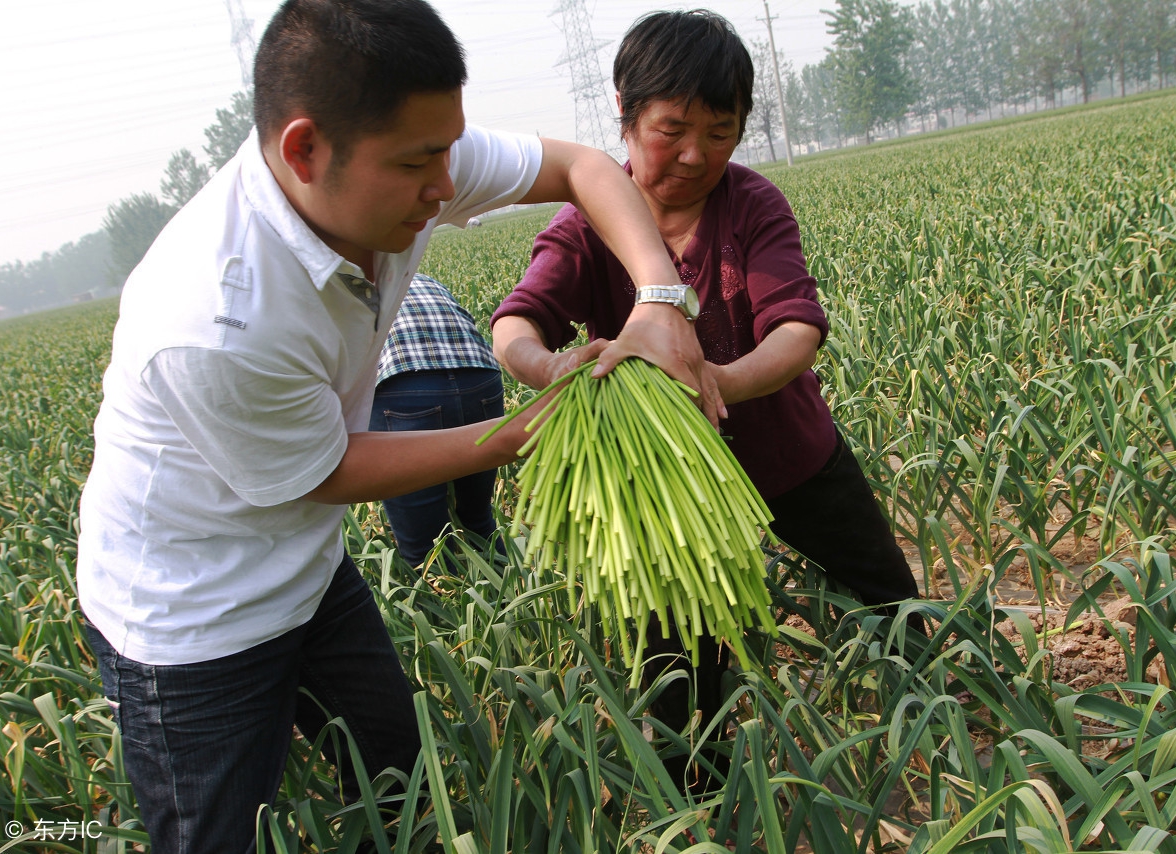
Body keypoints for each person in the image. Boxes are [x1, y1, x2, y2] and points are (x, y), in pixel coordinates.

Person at [75, 1, 716, 849]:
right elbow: (324, 471)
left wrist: (660, 299)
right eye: (421, 163)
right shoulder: (215, 314)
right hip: (191, 622)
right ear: (304, 150)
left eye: (449, 149)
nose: (448, 187)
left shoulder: (396, 158)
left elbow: (585, 167)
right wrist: (524, 430)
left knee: (402, 789)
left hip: (308, 570)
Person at [490, 9, 921, 793]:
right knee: (681, 659)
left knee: (889, 597)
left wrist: (717, 380)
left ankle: (939, 709)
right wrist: (549, 368)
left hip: (789, 457)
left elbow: (796, 329)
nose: (695, 155)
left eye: (721, 132)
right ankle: (700, 794)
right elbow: (517, 322)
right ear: (624, 111)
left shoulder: (751, 204)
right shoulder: (587, 224)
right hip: (668, 493)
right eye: (672, 129)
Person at [371, 273, 506, 565]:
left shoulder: (342, 287)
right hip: (480, 376)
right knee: (479, 521)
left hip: (405, 387)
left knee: (425, 548)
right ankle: (507, 597)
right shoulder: (418, 277)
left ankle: (439, 600)